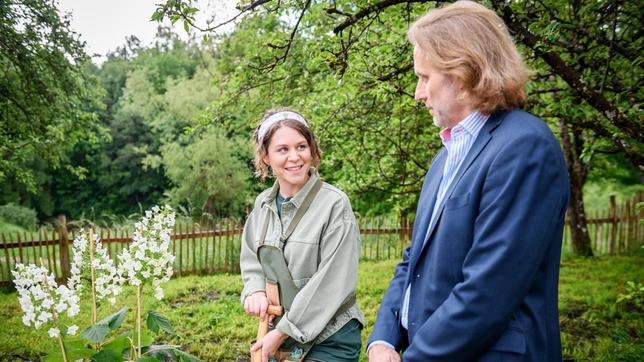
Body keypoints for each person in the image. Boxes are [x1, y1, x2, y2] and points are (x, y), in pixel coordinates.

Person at [367, 1, 570, 361]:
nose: (418, 93)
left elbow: (488, 292)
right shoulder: (445, 157)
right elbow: (413, 261)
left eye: (424, 77)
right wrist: (383, 337)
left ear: (462, 73)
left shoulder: (524, 147)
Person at [240, 108, 365, 362]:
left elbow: (332, 281)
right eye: (282, 149)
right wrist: (254, 291)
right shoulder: (262, 204)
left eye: (301, 146)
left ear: (312, 150)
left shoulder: (334, 204)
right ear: (265, 156)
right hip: (281, 334)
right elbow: (252, 258)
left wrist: (284, 331)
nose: (294, 157)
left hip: (330, 336)